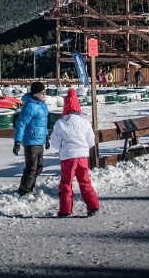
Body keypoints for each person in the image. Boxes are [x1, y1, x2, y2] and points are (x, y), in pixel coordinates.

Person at [49, 89, 99, 217]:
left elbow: (54, 143)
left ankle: (65, 210)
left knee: (66, 183)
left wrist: (59, 147)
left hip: (68, 157)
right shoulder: (85, 122)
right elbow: (91, 141)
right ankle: (93, 206)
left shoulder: (60, 123)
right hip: (82, 156)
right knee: (85, 181)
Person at [13, 81, 50, 196]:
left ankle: (29, 187)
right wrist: (17, 141)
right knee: (31, 167)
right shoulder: (30, 106)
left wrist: (46, 136)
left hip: (40, 141)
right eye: (41, 93)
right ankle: (24, 191)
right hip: (31, 141)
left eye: (45, 92)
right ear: (35, 94)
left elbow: (43, 124)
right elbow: (21, 124)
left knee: (39, 167)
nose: (44, 95)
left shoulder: (42, 105)